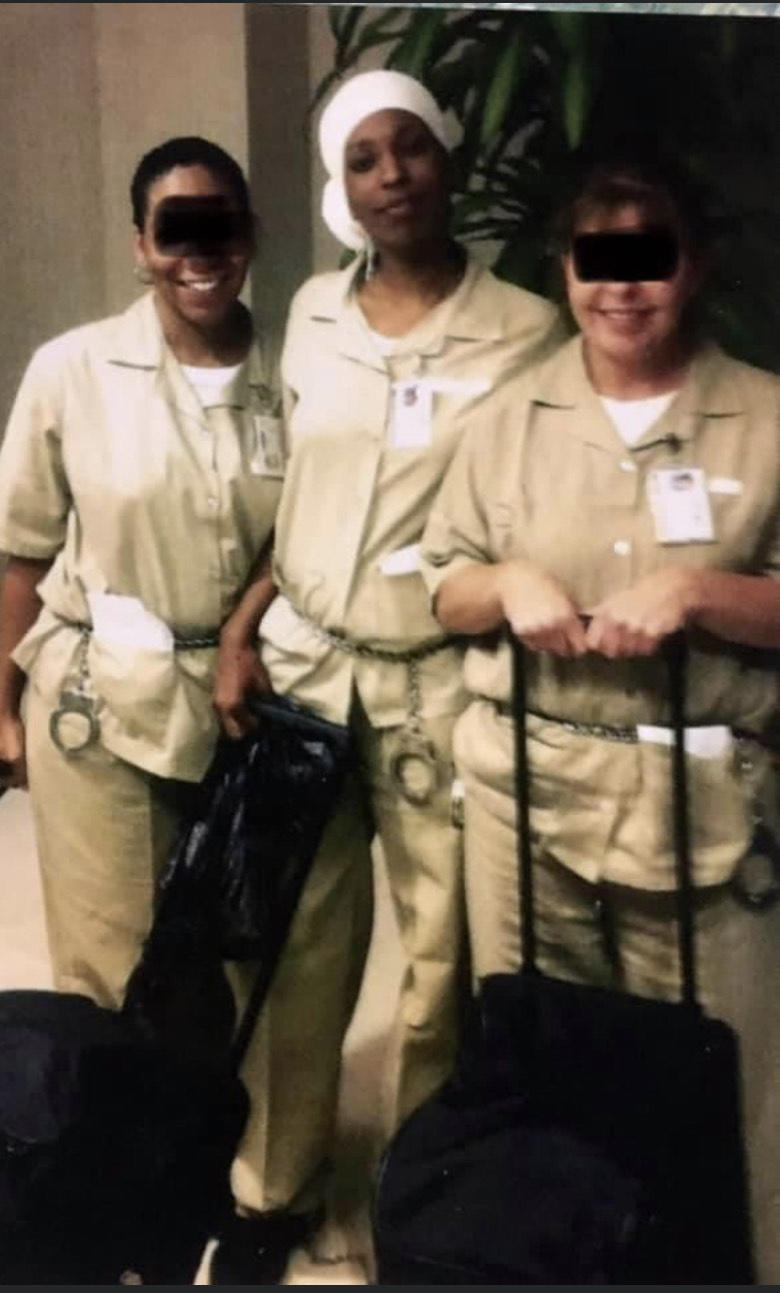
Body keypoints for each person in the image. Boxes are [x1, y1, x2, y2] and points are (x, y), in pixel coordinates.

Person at [212, 69, 562, 1284]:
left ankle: (417, 1207)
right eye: (365, 159)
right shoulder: (310, 312)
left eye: (409, 149)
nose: (392, 176)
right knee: (291, 948)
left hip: (437, 684)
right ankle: (275, 1185)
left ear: (446, 159)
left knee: (436, 971)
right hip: (304, 671)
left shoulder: (527, 330)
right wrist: (242, 622)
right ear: (340, 185)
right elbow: (287, 499)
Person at [421, 153, 780, 1281]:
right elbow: (443, 584)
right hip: (525, 807)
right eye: (597, 260)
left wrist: (701, 593)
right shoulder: (503, 423)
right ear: (565, 270)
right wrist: (509, 581)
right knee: (542, 1068)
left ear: (697, 266)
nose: (623, 290)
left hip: (703, 816)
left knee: (723, 1081)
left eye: (650, 258)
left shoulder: (767, 418)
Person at [0, 136, 283, 1011]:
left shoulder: (292, 379)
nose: (199, 254)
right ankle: (109, 1146)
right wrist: (0, 712)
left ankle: (218, 1140)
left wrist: (239, 627)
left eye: (218, 228)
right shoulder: (70, 371)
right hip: (98, 701)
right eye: (174, 231)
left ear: (251, 236)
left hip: (241, 703)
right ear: (141, 245)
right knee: (109, 966)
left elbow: (299, 533)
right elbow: (26, 552)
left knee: (244, 956)